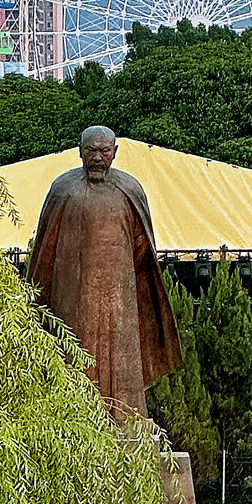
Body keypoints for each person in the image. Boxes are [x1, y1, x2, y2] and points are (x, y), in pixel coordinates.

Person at [26, 125, 182, 422]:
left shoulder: (129, 190)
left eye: (104, 151)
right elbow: (45, 251)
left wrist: (121, 279)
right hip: (72, 296)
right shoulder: (63, 190)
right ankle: (76, 420)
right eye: (91, 151)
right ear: (79, 151)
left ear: (114, 152)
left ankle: (125, 418)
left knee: (121, 358)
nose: (97, 158)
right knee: (75, 353)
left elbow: (142, 248)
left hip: (119, 295)